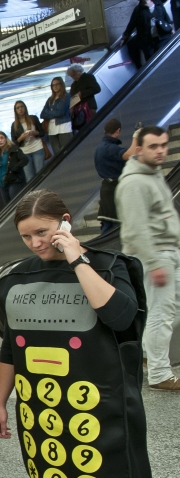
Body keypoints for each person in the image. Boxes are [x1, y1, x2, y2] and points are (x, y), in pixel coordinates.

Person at [0, 189, 153, 478]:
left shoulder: (110, 266)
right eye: (26, 237)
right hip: (45, 408)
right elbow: (12, 347)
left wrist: (78, 258)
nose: (35, 244)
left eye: (42, 232)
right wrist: (1, 401)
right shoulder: (16, 278)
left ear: (64, 221)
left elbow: (121, 317)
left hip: (105, 406)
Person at [117, 125, 180, 391]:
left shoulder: (152, 174)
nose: (161, 151)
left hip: (167, 251)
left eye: (164, 145)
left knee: (169, 312)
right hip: (155, 254)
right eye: (153, 146)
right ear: (139, 149)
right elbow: (135, 228)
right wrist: (153, 263)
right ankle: (159, 374)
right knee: (161, 314)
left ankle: (146, 355)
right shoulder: (134, 183)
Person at [93, 118, 139, 232]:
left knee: (107, 226)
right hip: (114, 191)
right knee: (114, 228)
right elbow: (129, 155)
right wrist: (136, 136)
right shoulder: (110, 148)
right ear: (118, 131)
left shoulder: (99, 148)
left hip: (106, 189)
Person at [11, 101, 47, 182]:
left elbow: (42, 133)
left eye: (22, 106)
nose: (20, 109)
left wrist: (35, 133)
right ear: (15, 111)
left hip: (37, 148)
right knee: (29, 176)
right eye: (18, 108)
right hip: (24, 152)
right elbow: (14, 143)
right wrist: (21, 137)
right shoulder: (14, 125)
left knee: (40, 173)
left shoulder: (33, 118)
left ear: (25, 108)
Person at [0, 131, 28, 204]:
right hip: (2, 184)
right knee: (8, 207)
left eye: (1, 138)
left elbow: (25, 159)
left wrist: (13, 170)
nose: (0, 140)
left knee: (16, 204)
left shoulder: (13, 149)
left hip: (13, 181)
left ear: (6, 139)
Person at [40, 77, 74, 154]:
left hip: (64, 127)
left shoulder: (66, 96)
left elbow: (60, 112)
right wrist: (54, 112)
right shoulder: (50, 99)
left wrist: (49, 112)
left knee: (67, 151)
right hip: (52, 129)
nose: (55, 86)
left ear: (61, 85)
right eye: (53, 85)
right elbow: (42, 114)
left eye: (57, 84)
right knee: (57, 154)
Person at [67, 64, 101, 131]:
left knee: (94, 126)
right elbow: (71, 96)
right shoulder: (73, 85)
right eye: (71, 76)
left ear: (79, 71)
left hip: (89, 107)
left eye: (74, 75)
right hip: (78, 111)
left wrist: (82, 93)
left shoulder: (88, 77)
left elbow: (97, 89)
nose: (73, 77)